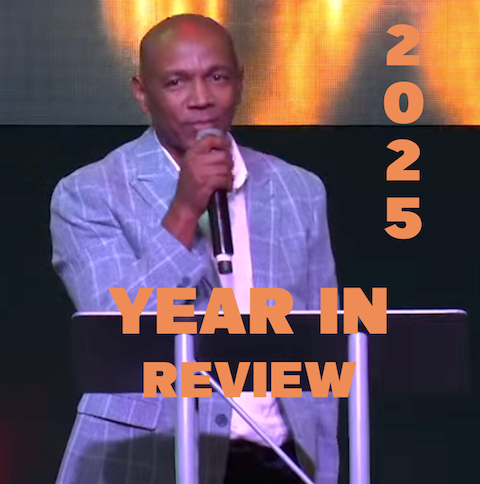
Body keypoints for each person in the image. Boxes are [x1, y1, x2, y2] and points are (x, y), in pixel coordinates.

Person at [50, 14, 338, 484]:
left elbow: (321, 344)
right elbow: (115, 332)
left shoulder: (299, 191)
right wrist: (185, 209)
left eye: (217, 77)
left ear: (240, 83)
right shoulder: (90, 193)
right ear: (143, 93)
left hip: (279, 459)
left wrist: (323, 466)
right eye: (176, 82)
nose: (201, 98)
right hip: (150, 458)